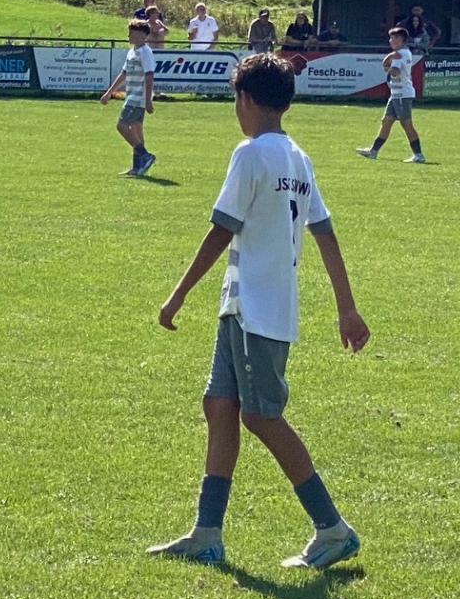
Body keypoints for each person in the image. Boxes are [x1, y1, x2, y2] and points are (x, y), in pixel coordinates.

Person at [148, 53, 369, 570]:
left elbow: (221, 229)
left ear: (244, 99)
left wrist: (178, 293)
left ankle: (333, 528)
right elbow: (325, 233)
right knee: (219, 406)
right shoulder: (297, 156)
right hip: (245, 306)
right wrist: (346, 308)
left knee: (261, 416)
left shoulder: (250, 154)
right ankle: (207, 533)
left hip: (257, 309)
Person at [357, 26, 425, 162]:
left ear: (400, 39)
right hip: (396, 94)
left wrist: (386, 66)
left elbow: (395, 72)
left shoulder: (399, 55)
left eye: (392, 38)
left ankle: (418, 155)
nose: (390, 41)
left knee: (406, 124)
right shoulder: (404, 52)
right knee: (386, 121)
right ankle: (373, 151)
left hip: (402, 95)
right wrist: (388, 60)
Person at [100, 19, 158, 176]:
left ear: (143, 35)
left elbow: (149, 75)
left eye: (133, 33)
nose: (129, 36)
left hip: (138, 97)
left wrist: (148, 100)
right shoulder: (132, 52)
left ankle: (145, 155)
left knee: (122, 126)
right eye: (129, 33)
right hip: (131, 95)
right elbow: (123, 74)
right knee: (136, 130)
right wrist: (109, 92)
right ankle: (137, 167)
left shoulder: (145, 52)